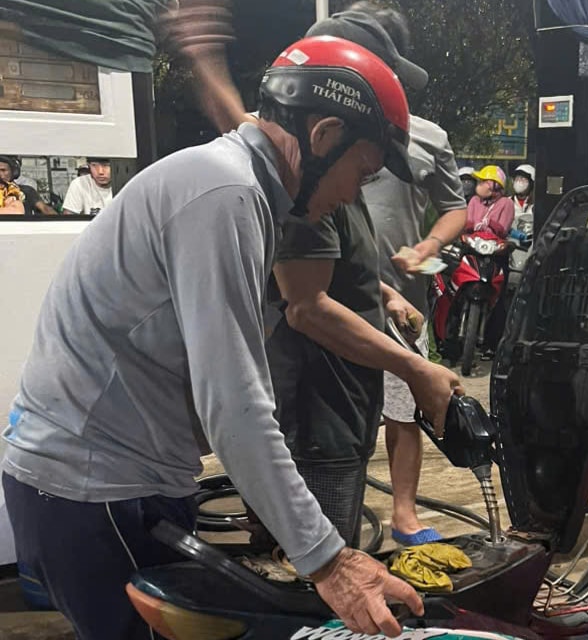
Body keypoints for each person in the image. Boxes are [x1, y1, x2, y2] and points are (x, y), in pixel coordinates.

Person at [2, 36, 429, 639]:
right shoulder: (226, 194)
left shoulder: (237, 187)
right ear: (325, 135)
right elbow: (233, 404)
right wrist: (330, 562)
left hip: (113, 480)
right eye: (361, 173)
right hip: (99, 488)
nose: (352, 195)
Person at [275, 3, 466, 548]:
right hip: (324, 319)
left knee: (399, 413)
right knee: (320, 440)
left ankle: (400, 516)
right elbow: (307, 306)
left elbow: (455, 211)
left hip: (390, 302)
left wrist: (420, 257)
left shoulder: (420, 138)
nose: (357, 188)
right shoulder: (301, 169)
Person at [466, 165, 514, 238]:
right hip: (471, 241)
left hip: (494, 243)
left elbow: (502, 231)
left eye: (484, 181)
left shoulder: (506, 203)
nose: (480, 183)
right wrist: (474, 226)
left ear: (496, 185)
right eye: (480, 181)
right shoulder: (475, 200)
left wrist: (489, 223)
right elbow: (467, 225)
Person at [509, 163, 534, 242]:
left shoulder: (536, 204)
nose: (519, 182)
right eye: (517, 179)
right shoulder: (506, 203)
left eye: (523, 179)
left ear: (532, 183)